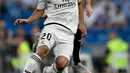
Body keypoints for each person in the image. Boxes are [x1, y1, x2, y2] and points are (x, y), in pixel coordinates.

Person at [14, 0, 83, 73]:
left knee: (61, 64)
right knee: (41, 50)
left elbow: (79, 3)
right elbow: (40, 10)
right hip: (52, 26)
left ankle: (48, 71)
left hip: (68, 32)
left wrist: (82, 23)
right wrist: (28, 20)